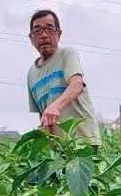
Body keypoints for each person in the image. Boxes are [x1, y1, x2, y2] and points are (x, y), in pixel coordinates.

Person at [26, 9, 101, 145]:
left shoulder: (67, 54)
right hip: (59, 151)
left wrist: (56, 106)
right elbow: (43, 114)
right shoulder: (31, 73)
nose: (43, 35)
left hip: (85, 145)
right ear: (31, 38)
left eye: (49, 29)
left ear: (59, 34)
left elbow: (76, 85)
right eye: (37, 31)